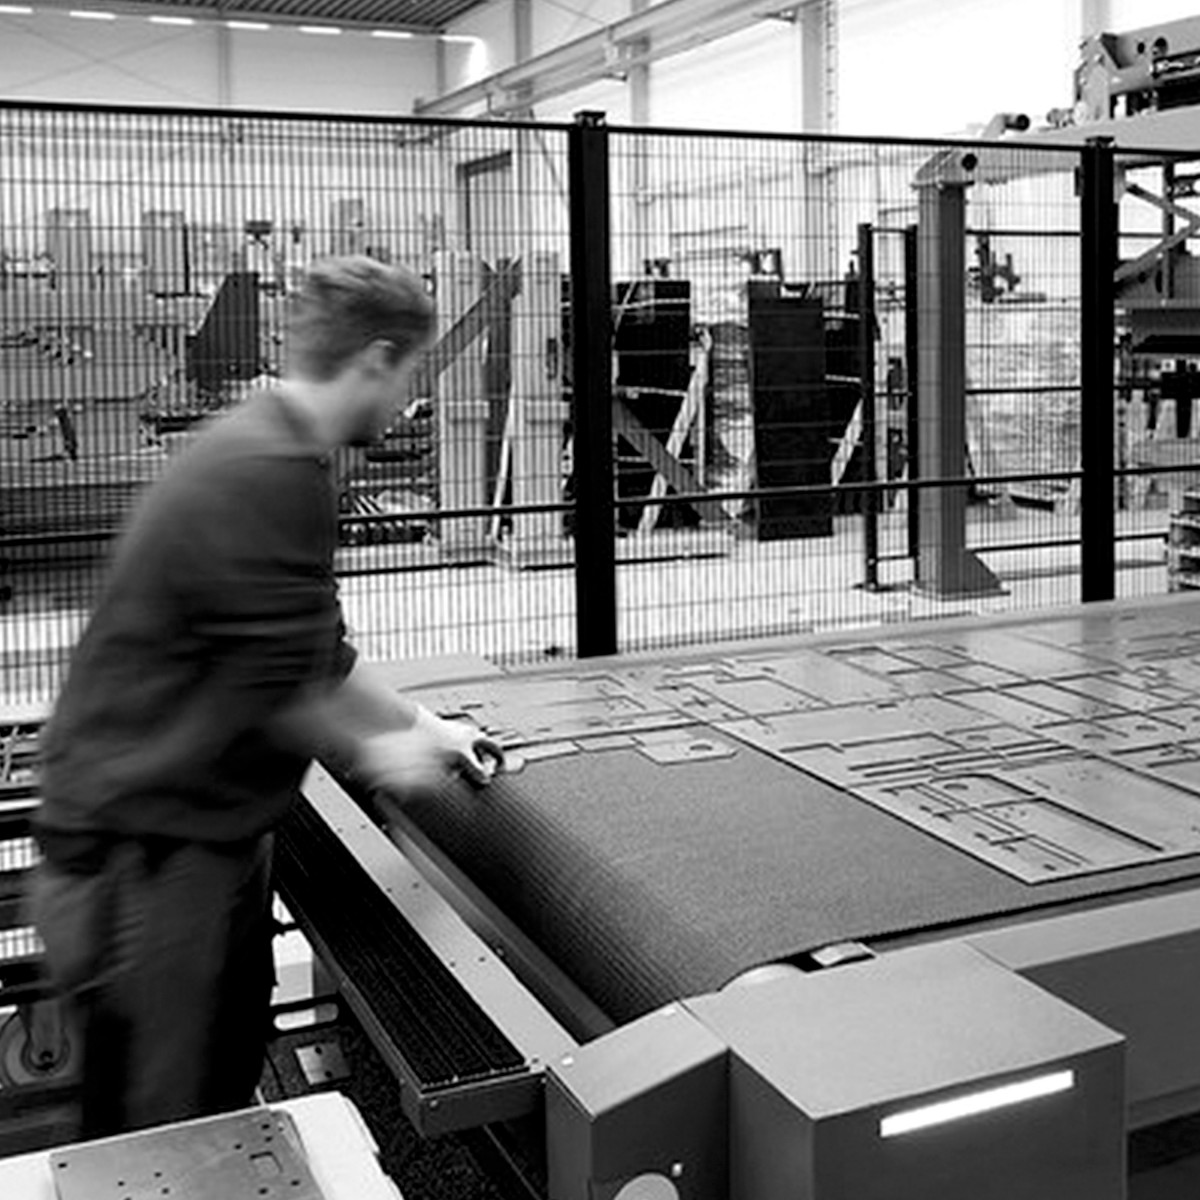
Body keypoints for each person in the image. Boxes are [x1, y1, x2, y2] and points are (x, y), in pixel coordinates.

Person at [27, 255, 504, 1139]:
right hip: (144, 865)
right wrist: (382, 754)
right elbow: (275, 691)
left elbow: (315, 653)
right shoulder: (264, 470)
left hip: (203, 840)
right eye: (408, 376)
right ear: (373, 361)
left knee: (224, 1071)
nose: (407, 403)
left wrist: (425, 726)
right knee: (162, 1138)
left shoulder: (288, 450)